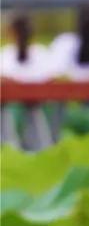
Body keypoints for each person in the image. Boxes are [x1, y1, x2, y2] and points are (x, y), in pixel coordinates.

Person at [0, 13, 57, 147]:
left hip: (29, 105)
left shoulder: (6, 55)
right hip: (16, 106)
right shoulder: (41, 53)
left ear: (11, 32)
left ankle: (10, 147)